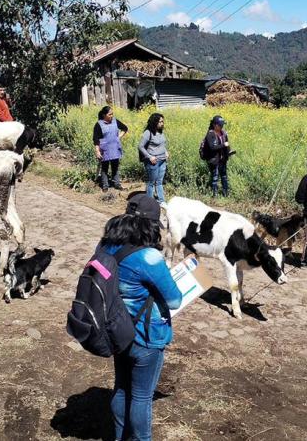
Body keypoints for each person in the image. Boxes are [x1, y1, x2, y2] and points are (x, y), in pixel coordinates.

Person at [103, 194, 182, 441]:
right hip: (145, 336)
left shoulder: (107, 246)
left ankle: (120, 436)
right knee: (141, 396)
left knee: (121, 387)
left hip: (117, 329)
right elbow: (175, 300)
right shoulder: (150, 257)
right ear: (151, 225)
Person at [93, 106, 128, 193]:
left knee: (115, 167)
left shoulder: (115, 121)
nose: (112, 116)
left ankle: (117, 184)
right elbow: (96, 139)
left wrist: (118, 137)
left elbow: (125, 128)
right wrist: (97, 151)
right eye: (110, 114)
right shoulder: (99, 124)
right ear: (104, 115)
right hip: (104, 149)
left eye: (112, 114)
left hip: (115, 148)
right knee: (104, 168)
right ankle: (105, 186)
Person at [138, 113, 168, 203]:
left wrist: (165, 151)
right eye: (160, 122)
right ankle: (149, 202)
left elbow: (162, 144)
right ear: (154, 122)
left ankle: (161, 201)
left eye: (163, 121)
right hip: (153, 162)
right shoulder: (148, 133)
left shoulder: (160, 131)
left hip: (163, 160)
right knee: (151, 182)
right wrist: (150, 157)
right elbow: (140, 146)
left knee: (159, 182)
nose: (162, 123)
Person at [204, 115, 231, 198]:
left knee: (224, 177)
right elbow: (212, 147)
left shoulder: (223, 133)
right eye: (220, 125)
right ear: (215, 125)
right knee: (215, 178)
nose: (222, 126)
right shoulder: (210, 134)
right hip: (214, 159)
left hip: (223, 159)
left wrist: (228, 152)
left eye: (222, 124)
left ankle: (225, 194)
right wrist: (223, 145)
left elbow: (227, 144)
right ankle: (214, 196)